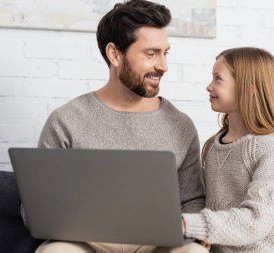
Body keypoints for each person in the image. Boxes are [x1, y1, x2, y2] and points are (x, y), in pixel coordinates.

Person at [33, 0, 207, 253]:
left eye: (165, 53)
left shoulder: (180, 125)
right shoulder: (66, 120)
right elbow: (36, 209)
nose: (163, 66)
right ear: (114, 54)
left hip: (155, 244)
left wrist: (192, 228)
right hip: (87, 242)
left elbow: (192, 201)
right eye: (151, 53)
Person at [178, 47, 274, 252]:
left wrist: (188, 224)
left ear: (249, 88)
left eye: (218, 79)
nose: (208, 87)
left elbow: (255, 220)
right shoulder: (213, 146)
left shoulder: (271, 147)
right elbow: (213, 207)